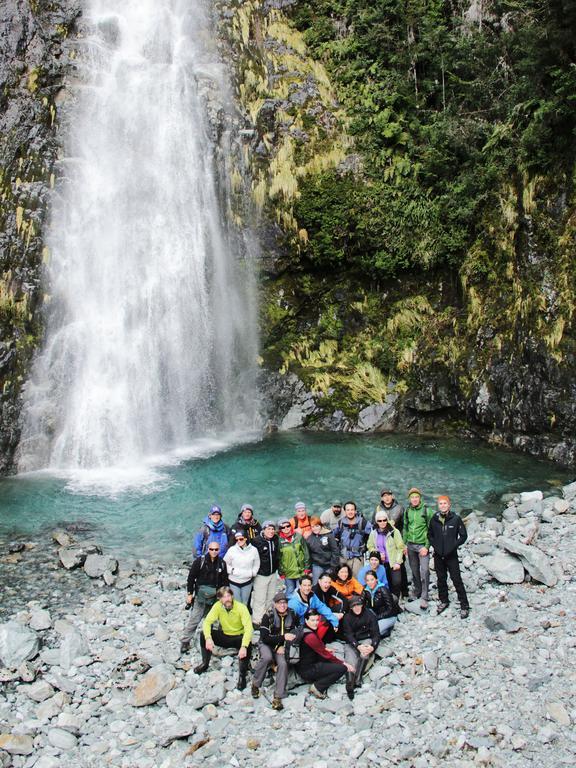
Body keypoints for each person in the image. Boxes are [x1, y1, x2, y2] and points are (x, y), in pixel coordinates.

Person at [195, 587, 253, 690]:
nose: (227, 599)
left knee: (247, 643)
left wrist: (244, 646)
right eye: (224, 597)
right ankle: (205, 663)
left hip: (238, 636)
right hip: (225, 635)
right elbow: (207, 622)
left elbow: (249, 628)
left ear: (232, 596)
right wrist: (208, 638)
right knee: (203, 634)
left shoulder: (241, 607)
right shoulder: (217, 606)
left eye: (228, 596)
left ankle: (242, 676)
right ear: (219, 599)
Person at [251, 592, 298, 710]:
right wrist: (280, 643)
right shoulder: (268, 616)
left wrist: (284, 645)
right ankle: (256, 684)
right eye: (279, 603)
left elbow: (295, 633)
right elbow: (265, 637)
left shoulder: (292, 615)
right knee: (266, 657)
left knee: (283, 664)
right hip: (267, 644)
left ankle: (278, 696)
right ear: (275, 604)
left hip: (283, 646)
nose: (282, 605)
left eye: (284, 603)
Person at [180, 541, 229, 654]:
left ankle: (210, 640)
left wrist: (224, 596)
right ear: (208, 549)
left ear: (219, 550)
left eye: (216, 549)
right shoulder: (199, 562)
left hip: (215, 597)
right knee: (194, 619)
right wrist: (189, 594)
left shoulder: (222, 563)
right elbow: (191, 578)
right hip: (200, 597)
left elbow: (225, 581)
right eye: (211, 549)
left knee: (212, 620)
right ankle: (185, 641)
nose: (214, 552)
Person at [428, 495, 470, 619]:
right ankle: (444, 600)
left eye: (445, 503)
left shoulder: (455, 519)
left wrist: (453, 545)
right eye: (440, 504)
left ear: (449, 505)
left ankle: (464, 605)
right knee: (441, 579)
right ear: (438, 505)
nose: (442, 505)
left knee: (456, 579)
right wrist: (435, 545)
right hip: (438, 555)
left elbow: (463, 536)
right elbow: (429, 534)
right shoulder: (434, 519)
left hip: (451, 555)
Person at [296, 609, 354, 700]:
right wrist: (344, 663)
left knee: (333, 662)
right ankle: (317, 687)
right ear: (306, 620)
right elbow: (325, 654)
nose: (315, 623)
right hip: (308, 669)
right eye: (312, 620)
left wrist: (325, 649)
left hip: (304, 665)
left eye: (317, 620)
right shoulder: (310, 636)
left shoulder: (305, 629)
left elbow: (318, 647)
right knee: (341, 668)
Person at [341, 594, 380, 698]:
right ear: (351, 607)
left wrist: (373, 646)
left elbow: (376, 634)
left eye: (359, 605)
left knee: (365, 652)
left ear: (362, 605)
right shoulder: (347, 618)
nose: (357, 607)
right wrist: (357, 645)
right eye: (354, 606)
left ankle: (358, 679)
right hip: (352, 642)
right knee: (350, 661)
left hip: (365, 638)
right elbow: (348, 635)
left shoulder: (370, 615)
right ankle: (349, 684)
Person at [403, 488, 435, 610]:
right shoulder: (407, 511)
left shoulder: (427, 510)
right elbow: (405, 527)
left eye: (416, 497)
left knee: (425, 570)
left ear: (420, 498)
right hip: (410, 544)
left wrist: (427, 546)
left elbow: (431, 530)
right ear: (409, 499)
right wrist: (404, 544)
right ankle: (418, 590)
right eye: (412, 497)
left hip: (422, 545)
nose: (414, 499)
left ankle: (425, 596)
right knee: (414, 570)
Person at [374, 488, 409, 596]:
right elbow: (374, 523)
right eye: (384, 496)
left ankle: (404, 590)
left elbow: (405, 525)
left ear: (392, 496)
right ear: (381, 498)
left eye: (389, 495)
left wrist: (404, 543)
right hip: (383, 540)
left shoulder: (399, 508)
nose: (387, 497)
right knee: (386, 567)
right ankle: (390, 591)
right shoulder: (378, 509)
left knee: (400, 566)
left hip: (396, 539)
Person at [366, 514, 405, 598]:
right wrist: (377, 554)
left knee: (396, 582)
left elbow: (400, 548)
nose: (382, 522)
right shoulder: (374, 533)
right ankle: (386, 600)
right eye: (380, 521)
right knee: (384, 582)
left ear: (387, 520)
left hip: (393, 562)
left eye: (384, 520)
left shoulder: (394, 532)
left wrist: (398, 562)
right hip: (381, 563)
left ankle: (396, 600)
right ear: (377, 522)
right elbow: (370, 546)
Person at [251, 520, 280, 626]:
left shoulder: (275, 539)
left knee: (271, 597)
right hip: (261, 574)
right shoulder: (256, 541)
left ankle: (266, 618)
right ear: (263, 530)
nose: (271, 531)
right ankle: (257, 621)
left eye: (272, 529)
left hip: (273, 573)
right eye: (268, 529)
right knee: (259, 598)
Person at [334, 501, 371, 576]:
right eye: (348, 510)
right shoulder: (341, 523)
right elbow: (332, 535)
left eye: (352, 510)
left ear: (355, 511)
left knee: (358, 580)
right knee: (343, 579)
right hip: (343, 556)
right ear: (344, 511)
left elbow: (374, 533)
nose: (350, 512)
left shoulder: (363, 523)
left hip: (357, 557)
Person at [223, 531, 260, 605]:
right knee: (236, 603)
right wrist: (233, 571)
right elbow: (225, 563)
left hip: (247, 581)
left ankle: (244, 616)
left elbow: (256, 564)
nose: (239, 541)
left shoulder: (254, 550)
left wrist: (253, 573)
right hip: (234, 581)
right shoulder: (232, 550)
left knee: (245, 603)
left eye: (241, 539)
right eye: (237, 539)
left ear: (246, 538)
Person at [277, 518, 310, 597]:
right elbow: (278, 558)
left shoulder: (298, 536)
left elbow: (306, 553)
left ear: (290, 526)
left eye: (287, 526)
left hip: (301, 571)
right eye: (283, 527)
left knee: (301, 591)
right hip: (288, 573)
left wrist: (307, 568)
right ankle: (290, 608)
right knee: (290, 591)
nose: (286, 528)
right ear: (280, 529)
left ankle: (302, 608)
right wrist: (281, 572)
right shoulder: (278, 541)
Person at [362, 569, 400, 637]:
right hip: (375, 614)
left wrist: (377, 618)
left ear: (376, 579)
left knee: (375, 631)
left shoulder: (383, 590)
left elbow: (391, 610)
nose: (370, 582)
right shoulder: (366, 589)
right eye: (367, 580)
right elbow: (362, 603)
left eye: (372, 579)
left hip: (388, 616)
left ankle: (388, 629)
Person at [307, 517, 340, 583]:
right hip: (317, 565)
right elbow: (308, 555)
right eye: (312, 527)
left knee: (329, 583)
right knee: (316, 583)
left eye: (317, 526)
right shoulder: (310, 538)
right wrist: (309, 570)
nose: (315, 528)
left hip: (329, 564)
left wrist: (333, 566)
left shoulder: (329, 535)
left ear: (321, 525)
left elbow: (335, 551)